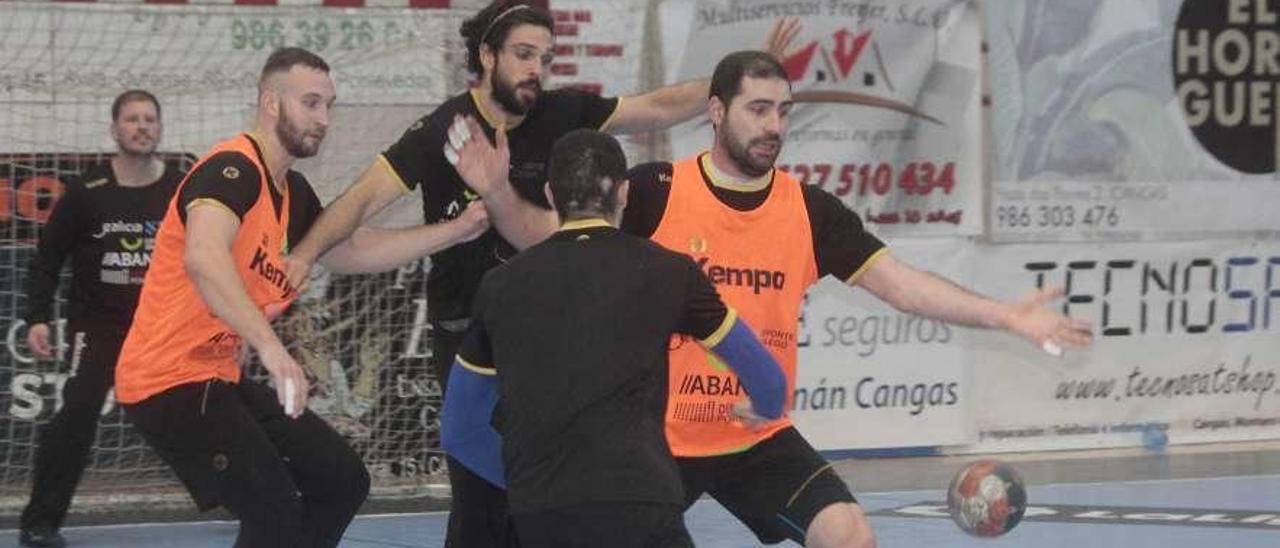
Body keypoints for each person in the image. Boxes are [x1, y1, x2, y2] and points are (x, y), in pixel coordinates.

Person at [456, 50, 1094, 547]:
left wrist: (1005, 314)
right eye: (758, 109)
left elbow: (900, 286)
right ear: (715, 111)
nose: (774, 125)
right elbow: (558, 244)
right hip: (654, 444)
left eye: (784, 111)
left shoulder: (808, 211)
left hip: (754, 435)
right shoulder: (656, 191)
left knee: (850, 533)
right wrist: (496, 193)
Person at [282, 2, 797, 545]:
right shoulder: (445, 129)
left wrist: (740, 82)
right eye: (524, 55)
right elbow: (361, 199)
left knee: (568, 484)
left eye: (545, 58)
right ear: (487, 55)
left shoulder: (562, 113)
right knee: (482, 497)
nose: (536, 69)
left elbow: (659, 106)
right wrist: (303, 255)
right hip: (471, 332)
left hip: (558, 335)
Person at [440, 129, 788, 548]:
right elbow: (766, 377)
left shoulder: (500, 285)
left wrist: (528, 480)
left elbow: (460, 429)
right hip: (638, 500)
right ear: (623, 193)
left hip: (541, 514)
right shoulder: (670, 273)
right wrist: (764, 407)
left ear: (551, 195)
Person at [111, 48, 394, 547]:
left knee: (342, 480)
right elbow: (203, 256)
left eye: (329, 105)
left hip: (217, 374)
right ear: (270, 102)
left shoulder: (293, 192)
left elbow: (352, 248)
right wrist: (269, 346)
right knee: (273, 509)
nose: (322, 118)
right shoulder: (232, 170)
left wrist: (457, 229)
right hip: (164, 379)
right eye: (310, 103)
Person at [17, 90, 184, 548]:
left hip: (163, 325)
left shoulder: (179, 190)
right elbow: (48, 257)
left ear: (160, 128)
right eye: (132, 119)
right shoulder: (87, 191)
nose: (142, 126)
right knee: (76, 414)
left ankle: (246, 496)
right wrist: (37, 317)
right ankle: (40, 521)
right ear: (115, 130)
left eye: (150, 118)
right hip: (98, 326)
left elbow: (208, 258)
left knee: (207, 406)